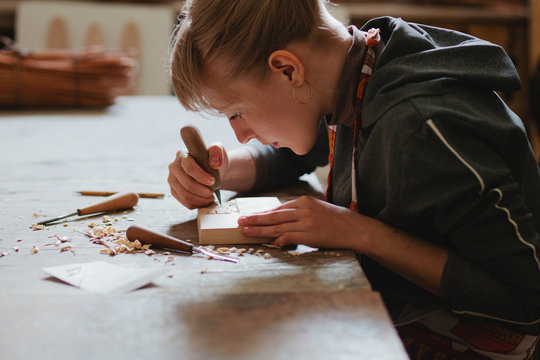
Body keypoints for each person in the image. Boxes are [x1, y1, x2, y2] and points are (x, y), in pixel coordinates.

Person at [167, 0, 540, 358]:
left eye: (237, 113)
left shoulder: (422, 129)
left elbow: (528, 300)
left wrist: (359, 232)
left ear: (287, 70)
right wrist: (226, 169)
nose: (242, 136)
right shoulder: (357, 65)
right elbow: (311, 145)